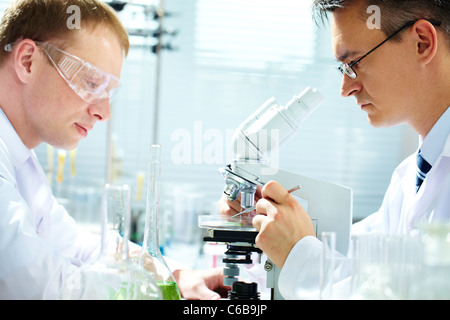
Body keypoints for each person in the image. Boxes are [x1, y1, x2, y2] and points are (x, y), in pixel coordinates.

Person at [219, 0, 450, 299]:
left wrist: (297, 255)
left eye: (354, 63)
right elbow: (355, 267)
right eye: (343, 68)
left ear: (421, 42)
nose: (346, 87)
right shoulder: (410, 177)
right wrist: (269, 228)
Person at [0, 0, 226, 300]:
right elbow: (45, 289)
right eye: (92, 82)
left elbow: (78, 245)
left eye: (109, 93)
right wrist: (157, 289)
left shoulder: (21, 161)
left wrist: (175, 275)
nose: (104, 113)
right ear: (28, 61)